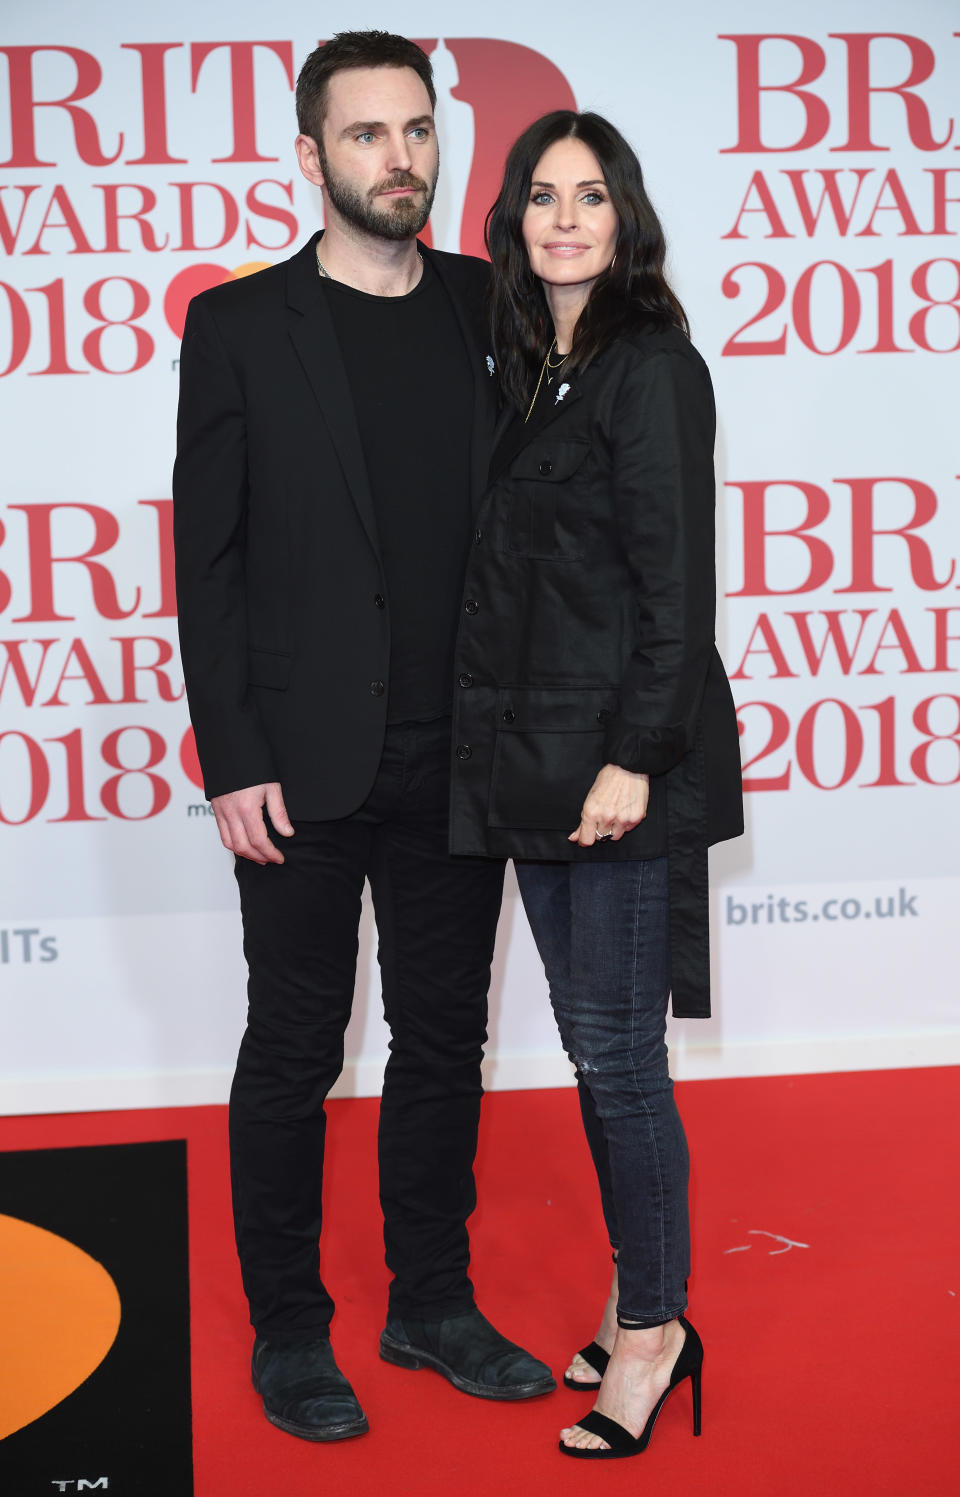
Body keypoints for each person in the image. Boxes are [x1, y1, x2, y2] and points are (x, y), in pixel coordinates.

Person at [173, 31, 554, 1444]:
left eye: (415, 130)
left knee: (444, 1038)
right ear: (309, 153)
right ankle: (288, 1327)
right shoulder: (240, 325)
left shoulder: (489, 303)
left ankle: (432, 1302)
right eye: (365, 134)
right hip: (302, 766)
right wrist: (232, 754)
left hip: (462, 760)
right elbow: (205, 562)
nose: (398, 156)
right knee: (293, 1046)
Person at [450, 111, 743, 1458]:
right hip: (535, 767)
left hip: (622, 769)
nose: (565, 219)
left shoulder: (650, 367)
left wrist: (636, 754)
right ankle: (647, 1289)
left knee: (621, 1062)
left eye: (590, 195)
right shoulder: (526, 367)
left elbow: (676, 593)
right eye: (541, 198)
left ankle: (654, 1329)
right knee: (595, 1049)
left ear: (624, 217)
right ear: (509, 220)